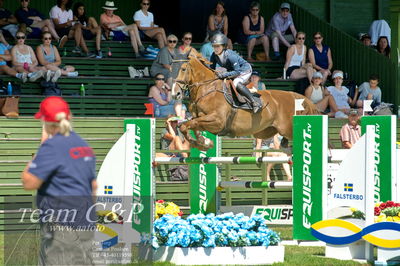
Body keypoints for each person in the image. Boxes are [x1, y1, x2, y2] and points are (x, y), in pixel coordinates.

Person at [22, 96, 97, 265]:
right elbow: (93, 185)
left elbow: (29, 182)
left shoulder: (52, 146)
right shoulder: (83, 145)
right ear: (69, 117)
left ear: (46, 122)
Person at [210, 33, 261, 113]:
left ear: (223, 46)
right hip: (233, 71)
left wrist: (223, 75)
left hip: (244, 70)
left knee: (236, 82)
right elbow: (211, 69)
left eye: (218, 46)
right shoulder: (214, 55)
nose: (215, 48)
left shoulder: (230, 55)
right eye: (214, 46)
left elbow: (237, 72)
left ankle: (254, 102)